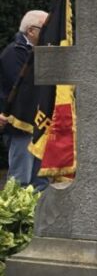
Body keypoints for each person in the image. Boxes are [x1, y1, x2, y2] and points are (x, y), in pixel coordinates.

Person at [1, 10, 49, 190]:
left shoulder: (37, 52)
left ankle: (38, 218)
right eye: (44, 28)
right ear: (30, 31)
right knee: (21, 180)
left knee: (41, 181)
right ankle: (16, 218)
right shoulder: (14, 53)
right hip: (21, 125)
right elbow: (23, 90)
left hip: (38, 125)